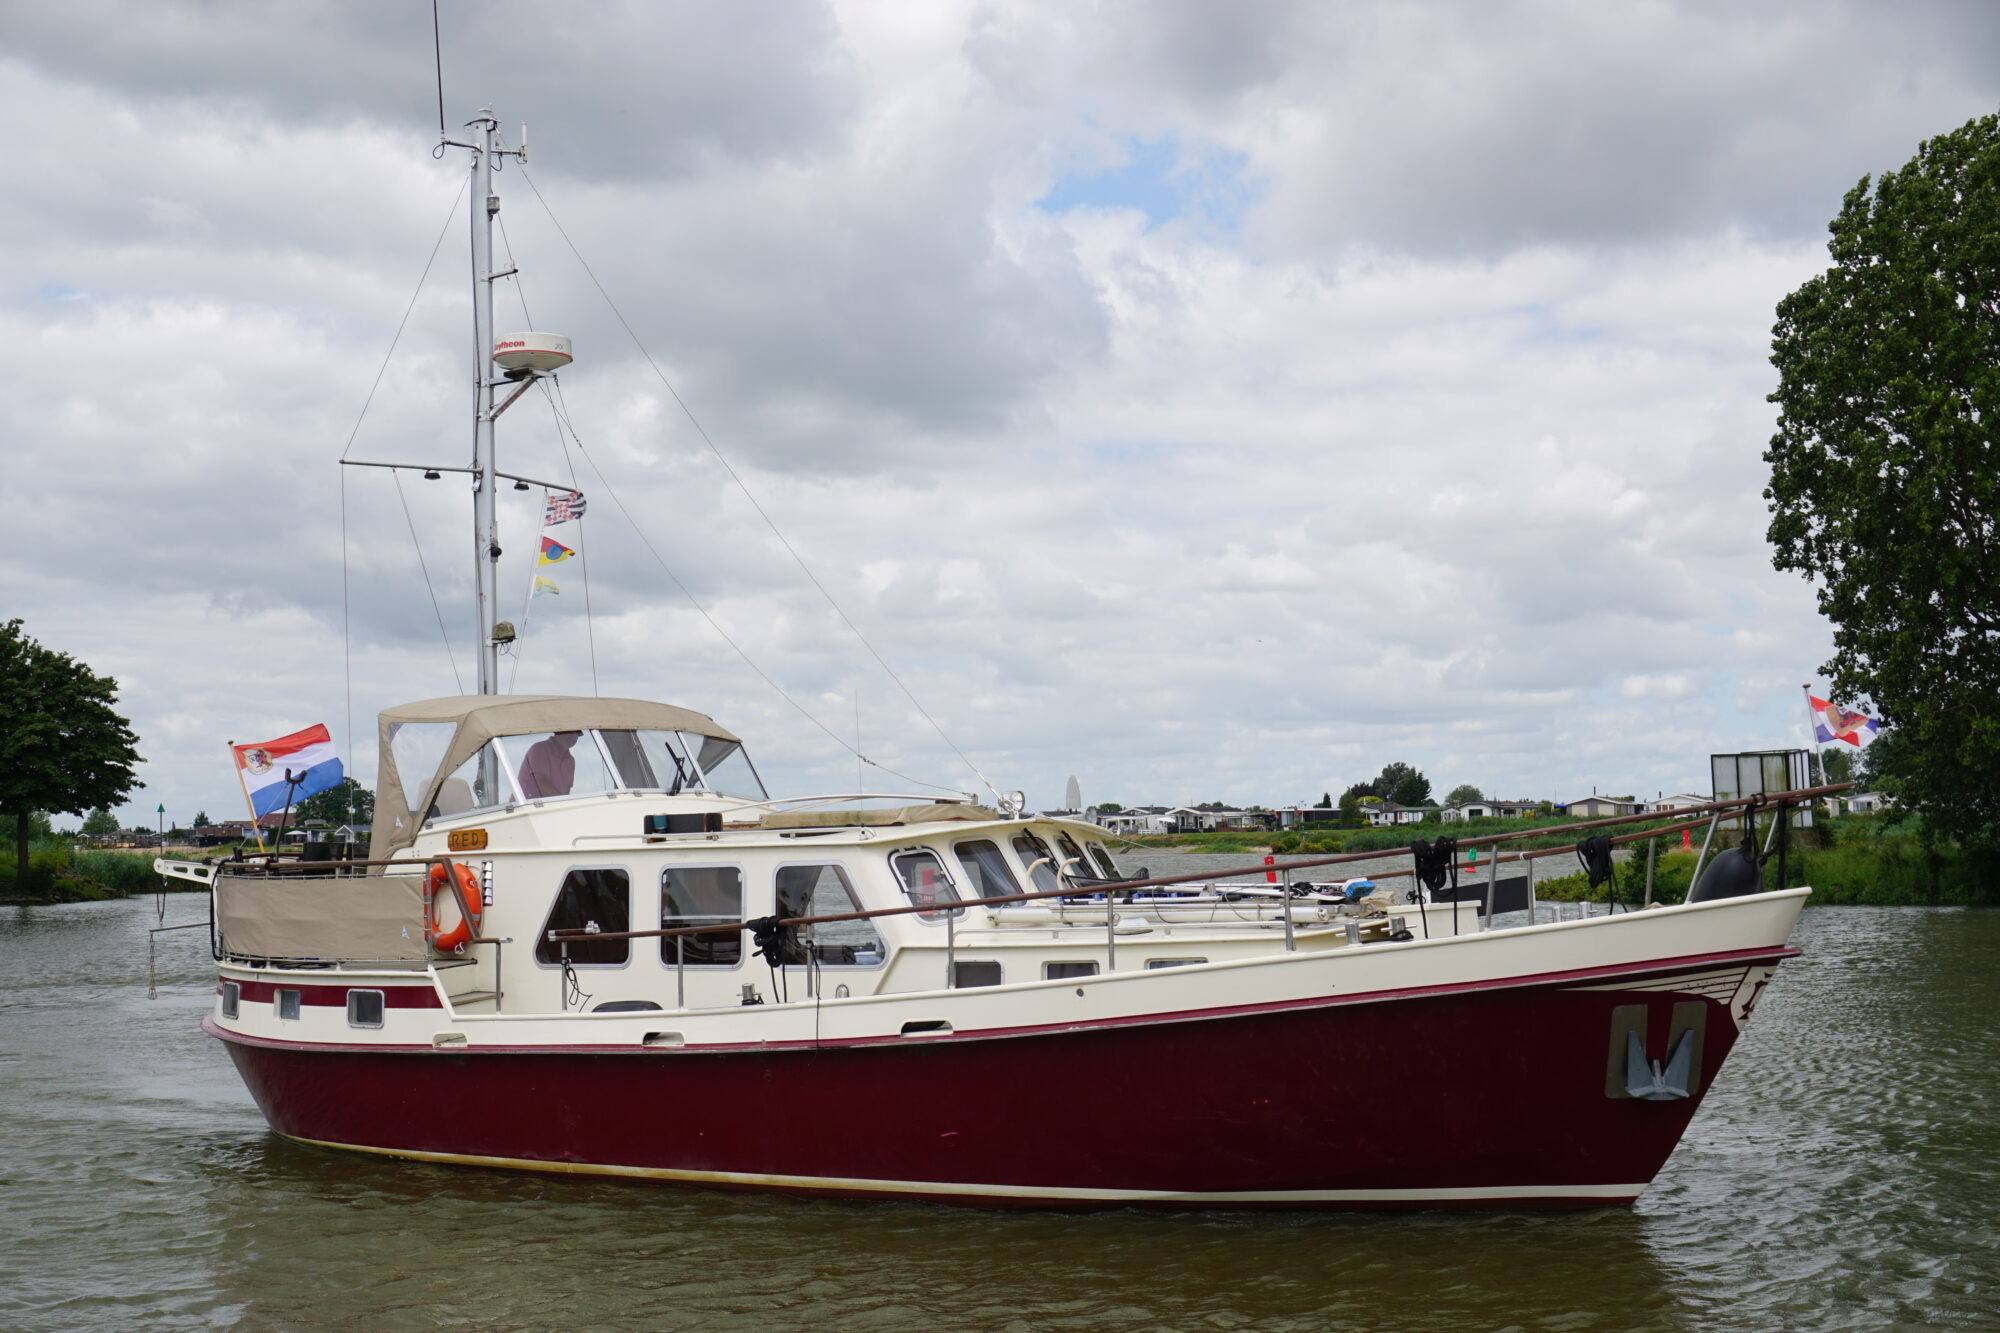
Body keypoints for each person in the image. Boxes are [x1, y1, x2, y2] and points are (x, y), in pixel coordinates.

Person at [518, 731, 582, 798]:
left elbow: (567, 790)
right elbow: (541, 782)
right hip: (527, 803)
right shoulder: (540, 748)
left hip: (553, 803)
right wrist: (563, 800)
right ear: (558, 732)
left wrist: (565, 801)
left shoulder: (570, 760)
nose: (573, 737)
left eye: (577, 734)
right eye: (570, 733)